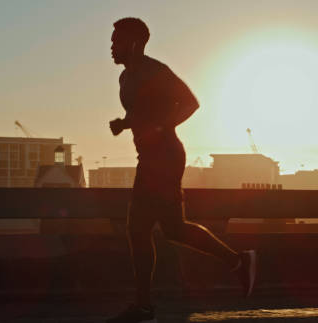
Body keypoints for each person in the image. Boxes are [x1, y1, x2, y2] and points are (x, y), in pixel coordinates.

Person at [107, 18, 256, 323]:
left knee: (141, 229)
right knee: (167, 229)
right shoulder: (125, 78)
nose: (111, 46)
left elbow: (191, 103)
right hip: (148, 158)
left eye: (117, 40)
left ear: (135, 43)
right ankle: (238, 261)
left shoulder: (155, 71)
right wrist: (125, 124)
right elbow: (145, 113)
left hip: (165, 157)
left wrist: (164, 126)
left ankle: (145, 306)